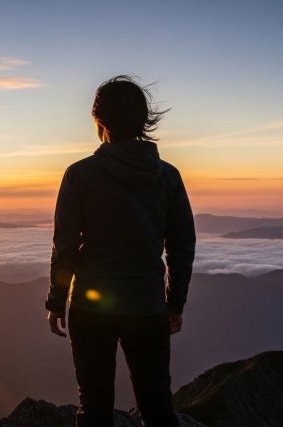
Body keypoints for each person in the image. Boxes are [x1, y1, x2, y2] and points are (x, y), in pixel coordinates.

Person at [46, 75, 195, 427]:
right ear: (144, 119)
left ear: (99, 120)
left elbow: (65, 245)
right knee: (157, 407)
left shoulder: (79, 175)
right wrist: (174, 304)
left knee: (94, 408)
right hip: (147, 307)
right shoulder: (168, 177)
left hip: (90, 306)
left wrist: (55, 301)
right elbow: (181, 246)